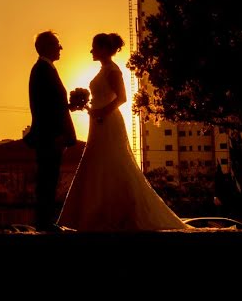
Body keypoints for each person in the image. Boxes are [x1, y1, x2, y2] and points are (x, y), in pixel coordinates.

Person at [58, 32, 191, 231]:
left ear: (103, 48)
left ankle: (119, 214)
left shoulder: (113, 70)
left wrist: (101, 112)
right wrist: (85, 106)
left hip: (109, 121)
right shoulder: (103, 70)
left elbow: (121, 98)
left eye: (94, 46)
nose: (91, 50)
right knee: (97, 163)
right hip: (98, 121)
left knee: (113, 161)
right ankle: (92, 214)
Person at [23, 30, 77, 232]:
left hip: (52, 135)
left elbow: (54, 104)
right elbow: (43, 107)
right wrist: (56, 135)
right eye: (57, 43)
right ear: (46, 47)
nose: (60, 47)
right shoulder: (41, 70)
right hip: (49, 136)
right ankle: (44, 223)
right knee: (47, 178)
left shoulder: (47, 69)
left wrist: (70, 106)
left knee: (50, 178)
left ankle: (45, 221)